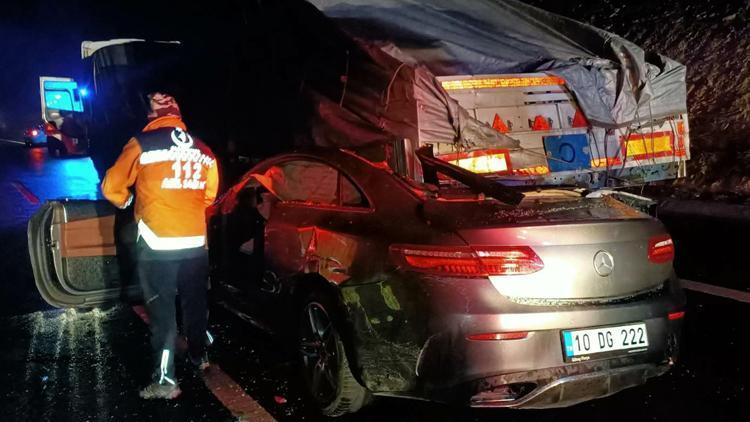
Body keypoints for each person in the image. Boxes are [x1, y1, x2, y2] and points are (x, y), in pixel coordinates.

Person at [101, 92, 219, 400]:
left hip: (157, 244)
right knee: (195, 305)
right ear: (178, 114)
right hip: (195, 243)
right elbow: (210, 195)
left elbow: (111, 186)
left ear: (152, 116)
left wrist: (128, 202)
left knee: (163, 313)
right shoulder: (204, 150)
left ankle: (166, 382)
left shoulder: (142, 143)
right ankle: (199, 356)